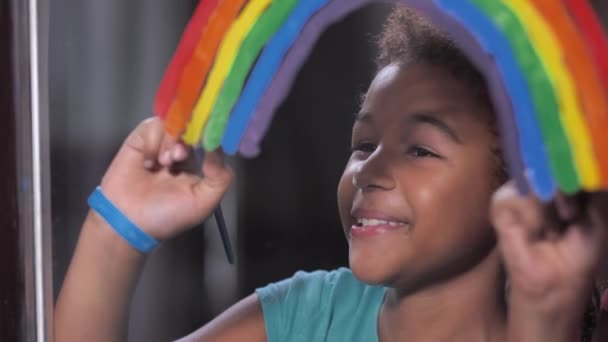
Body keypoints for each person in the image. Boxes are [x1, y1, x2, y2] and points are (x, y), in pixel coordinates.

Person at [54, 6, 608, 342]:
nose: (369, 170)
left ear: (518, 187)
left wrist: (545, 317)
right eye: (364, 143)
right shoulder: (305, 319)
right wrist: (115, 231)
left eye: (419, 150)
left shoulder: (553, 318)